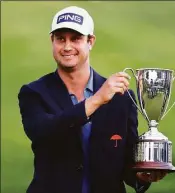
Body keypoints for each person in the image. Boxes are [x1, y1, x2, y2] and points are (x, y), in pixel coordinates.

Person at [18, 6, 166, 193]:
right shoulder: (34, 93)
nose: (67, 47)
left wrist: (142, 175)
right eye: (60, 39)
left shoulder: (122, 98)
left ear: (90, 41)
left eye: (76, 38)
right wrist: (97, 100)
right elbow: (43, 133)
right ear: (52, 41)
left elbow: (128, 162)